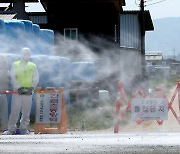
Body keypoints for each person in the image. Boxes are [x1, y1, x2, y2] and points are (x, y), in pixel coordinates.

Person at [3, 47, 39, 135]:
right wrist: (18, 88)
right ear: (21, 54)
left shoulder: (33, 66)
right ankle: (11, 129)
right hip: (17, 92)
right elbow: (13, 77)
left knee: (26, 112)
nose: (26, 55)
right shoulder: (16, 65)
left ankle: (23, 128)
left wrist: (31, 88)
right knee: (15, 111)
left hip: (28, 92)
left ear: (30, 55)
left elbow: (36, 78)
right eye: (24, 53)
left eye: (27, 53)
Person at [0, 54, 9, 131]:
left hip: (3, 94)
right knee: (3, 113)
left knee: (4, 114)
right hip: (2, 93)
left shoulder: (6, 71)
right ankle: (5, 128)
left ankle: (5, 128)